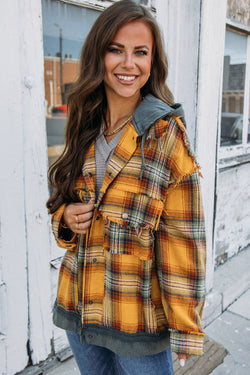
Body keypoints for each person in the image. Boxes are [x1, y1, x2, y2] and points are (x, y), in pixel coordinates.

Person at [47, 1, 206, 374]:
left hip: (136, 320)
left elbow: (184, 238)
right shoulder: (83, 121)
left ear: (153, 61)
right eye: (116, 49)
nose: (128, 64)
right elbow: (61, 197)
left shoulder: (167, 136)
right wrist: (66, 217)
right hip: (79, 306)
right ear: (98, 55)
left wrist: (185, 325)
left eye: (140, 52)